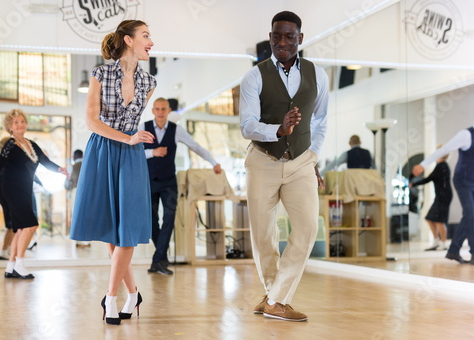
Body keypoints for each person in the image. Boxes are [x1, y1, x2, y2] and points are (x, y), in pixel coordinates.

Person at [240, 11, 328, 321]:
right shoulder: (254, 76)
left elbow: (321, 120)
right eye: (276, 36)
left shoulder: (319, 75)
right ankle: (275, 300)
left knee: (307, 227)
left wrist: (312, 155)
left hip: (301, 163)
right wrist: (278, 129)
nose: (282, 42)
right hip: (262, 160)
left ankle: (274, 299)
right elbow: (247, 126)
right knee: (264, 235)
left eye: (289, 36)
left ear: (300, 39)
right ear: (270, 37)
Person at [69, 20, 156, 325]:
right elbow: (92, 121)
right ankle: (132, 293)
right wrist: (128, 138)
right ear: (129, 40)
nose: (151, 42)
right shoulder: (100, 73)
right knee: (111, 227)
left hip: (130, 156)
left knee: (128, 228)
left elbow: (131, 123)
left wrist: (131, 139)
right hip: (103, 151)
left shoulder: (149, 82)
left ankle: (110, 297)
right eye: (146, 35)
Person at [140, 97, 222, 275]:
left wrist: (213, 162)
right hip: (148, 182)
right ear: (153, 111)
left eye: (164, 109)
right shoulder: (143, 128)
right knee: (152, 222)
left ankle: (158, 260)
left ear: (169, 111)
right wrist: (152, 152)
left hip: (169, 183)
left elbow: (195, 146)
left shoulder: (176, 130)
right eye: (157, 109)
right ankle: (161, 259)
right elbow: (133, 150)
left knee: (169, 220)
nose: (161, 112)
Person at [0, 109, 69, 279]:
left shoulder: (31, 144)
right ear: (10, 126)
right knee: (31, 225)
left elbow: (45, 162)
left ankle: (10, 267)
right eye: (16, 122)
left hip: (24, 189)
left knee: (21, 229)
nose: (20, 124)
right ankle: (20, 264)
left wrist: (59, 169)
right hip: (11, 188)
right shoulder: (10, 144)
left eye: (22, 121)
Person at [413, 125, 474, 265]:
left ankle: (453, 249)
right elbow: (445, 149)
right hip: (463, 180)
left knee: (470, 215)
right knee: (470, 214)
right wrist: (423, 164)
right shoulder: (466, 134)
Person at [410, 146, 452, 251]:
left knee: (439, 220)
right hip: (441, 196)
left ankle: (443, 243)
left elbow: (429, 178)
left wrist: (414, 183)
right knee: (430, 218)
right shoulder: (440, 165)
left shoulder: (442, 166)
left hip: (444, 196)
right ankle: (436, 241)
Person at [65, 149, 89, 248]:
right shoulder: (88, 165)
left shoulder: (71, 168)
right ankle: (87, 241)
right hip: (88, 193)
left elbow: (66, 185)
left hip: (76, 192)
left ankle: (78, 240)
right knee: (87, 215)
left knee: (76, 216)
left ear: (74, 156)